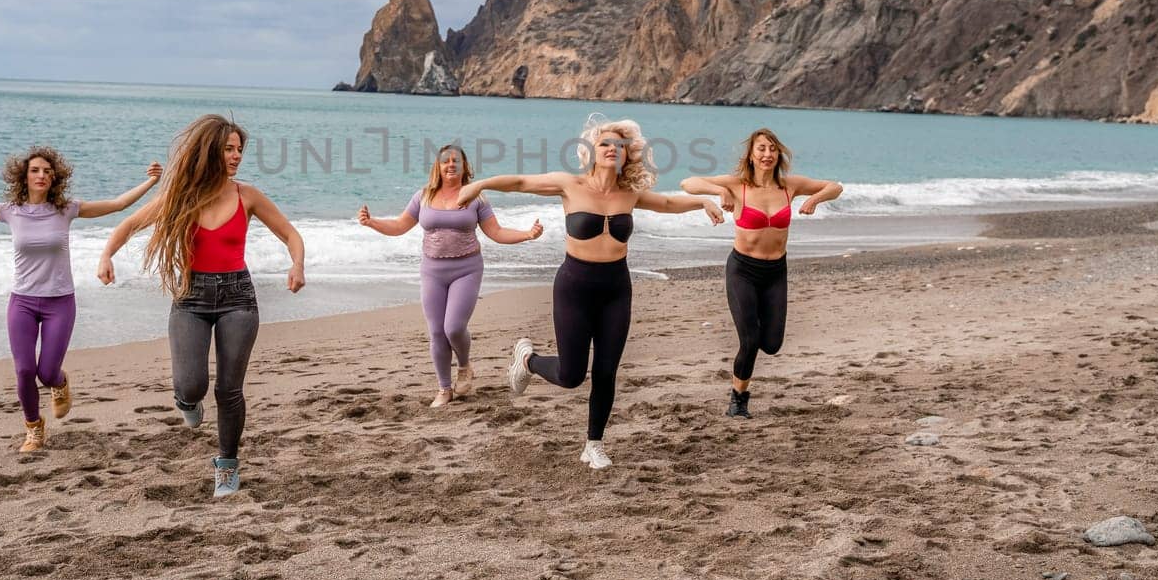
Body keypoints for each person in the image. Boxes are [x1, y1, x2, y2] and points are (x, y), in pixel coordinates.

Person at [457, 116, 724, 469]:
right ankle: (528, 361)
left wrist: (702, 202)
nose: (613, 149)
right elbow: (522, 181)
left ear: (628, 155)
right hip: (574, 287)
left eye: (620, 146)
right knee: (571, 375)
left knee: (606, 370)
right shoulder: (571, 185)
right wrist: (479, 185)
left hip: (616, 288)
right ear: (592, 152)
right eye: (605, 144)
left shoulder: (629, 194)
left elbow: (667, 204)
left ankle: (593, 444)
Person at [96, 114, 304, 499]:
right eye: (229, 148)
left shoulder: (248, 196)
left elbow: (290, 234)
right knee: (190, 385)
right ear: (211, 150)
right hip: (190, 297)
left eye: (240, 149)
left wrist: (297, 264)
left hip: (238, 298)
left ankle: (227, 466)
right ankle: (187, 402)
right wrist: (107, 255)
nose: (237, 155)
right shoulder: (181, 197)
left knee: (229, 389)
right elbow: (129, 225)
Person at [0, 145, 161, 452]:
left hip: (59, 303)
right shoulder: (10, 211)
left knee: (47, 373)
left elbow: (116, 205)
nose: (41, 175)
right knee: (24, 370)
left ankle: (60, 385)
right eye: (35, 170)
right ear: (23, 176)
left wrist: (151, 183)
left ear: (55, 178)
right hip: (22, 302)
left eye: (47, 171)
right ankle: (34, 428)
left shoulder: (66, 209)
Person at [357, 144, 544, 408]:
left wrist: (527, 234)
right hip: (432, 271)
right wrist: (372, 222)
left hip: (466, 269)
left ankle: (465, 366)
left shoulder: (476, 198)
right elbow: (400, 226)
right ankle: (445, 389)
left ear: (465, 166)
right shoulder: (422, 196)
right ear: (438, 166)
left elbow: (496, 232)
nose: (451, 165)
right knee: (436, 331)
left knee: (453, 328)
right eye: (446, 161)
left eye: (457, 161)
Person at [682, 127, 843, 419]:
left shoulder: (789, 186)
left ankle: (747, 365)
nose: (767, 154)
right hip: (742, 270)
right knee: (750, 340)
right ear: (751, 156)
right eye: (761, 149)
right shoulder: (737, 185)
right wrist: (718, 191)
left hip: (775, 272)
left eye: (772, 149)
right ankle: (738, 399)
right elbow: (688, 183)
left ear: (778, 154)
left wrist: (813, 199)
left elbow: (835, 186)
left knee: (771, 344)